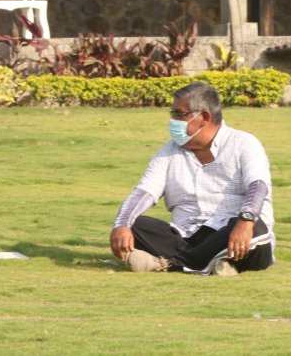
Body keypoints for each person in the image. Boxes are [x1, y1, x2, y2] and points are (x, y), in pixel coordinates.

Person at [109, 82, 275, 275]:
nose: (173, 121)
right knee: (135, 225)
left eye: (179, 115)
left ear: (204, 117)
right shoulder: (168, 152)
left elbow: (258, 185)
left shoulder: (244, 143)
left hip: (232, 233)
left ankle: (169, 264)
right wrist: (121, 225)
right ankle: (212, 264)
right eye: (172, 114)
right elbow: (145, 191)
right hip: (185, 236)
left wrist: (245, 221)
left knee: (256, 228)